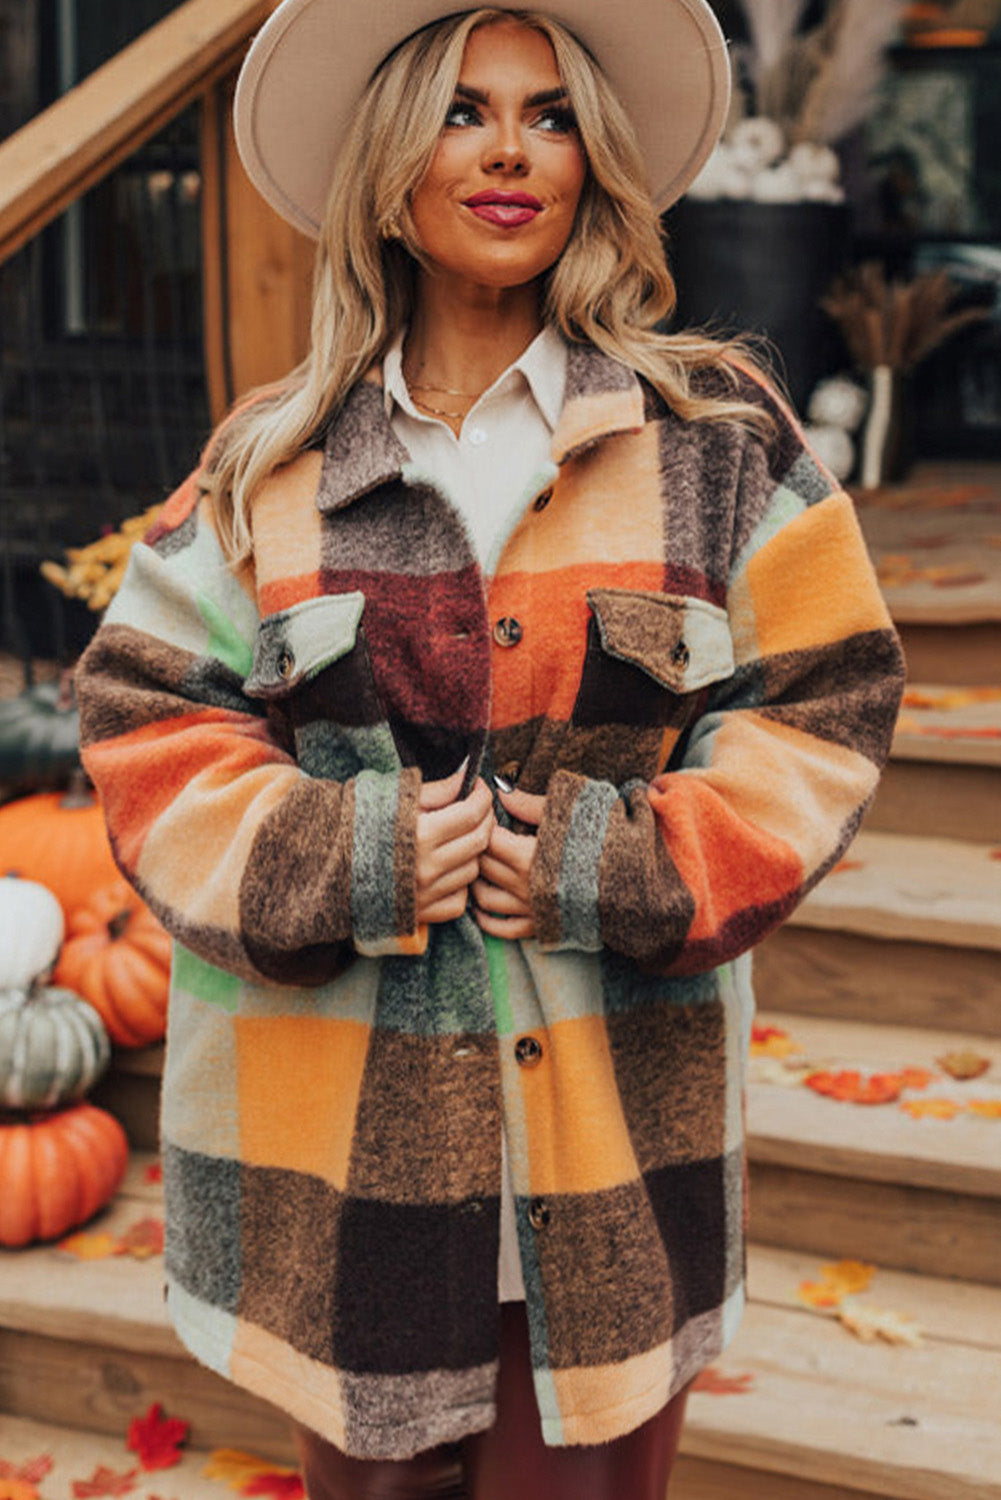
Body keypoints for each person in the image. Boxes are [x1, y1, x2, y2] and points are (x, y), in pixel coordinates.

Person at [74, 2, 905, 1496]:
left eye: (551, 113)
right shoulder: (273, 462)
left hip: (609, 1169)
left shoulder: (715, 441)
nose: (510, 151)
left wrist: (623, 866)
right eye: (461, 111)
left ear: (595, 160)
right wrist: (356, 854)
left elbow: (819, 701)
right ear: (388, 162)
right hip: (332, 1179)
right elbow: (149, 715)